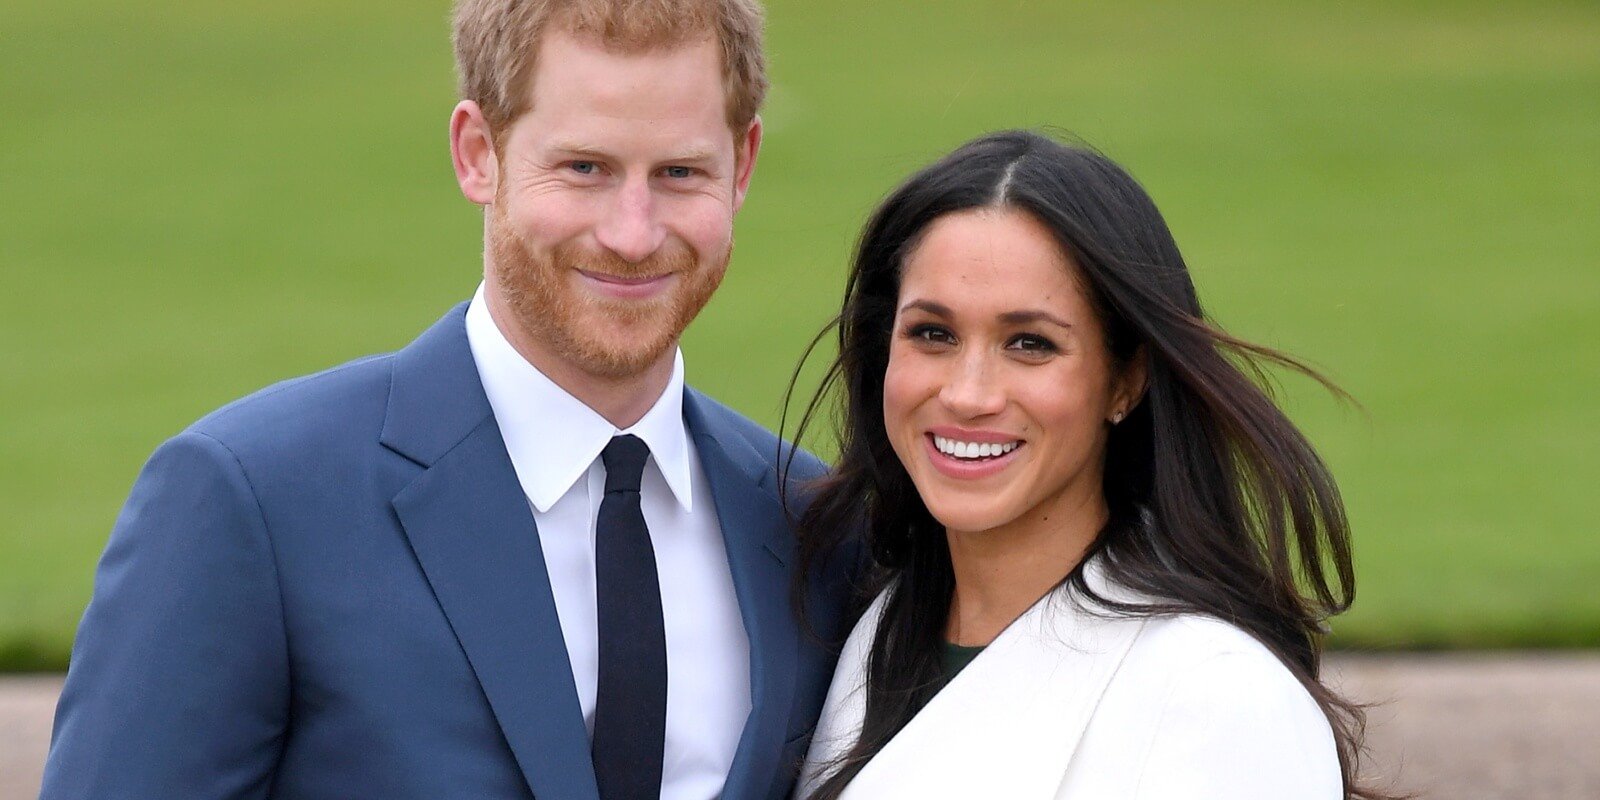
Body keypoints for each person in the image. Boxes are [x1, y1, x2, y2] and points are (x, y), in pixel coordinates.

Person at [40, 1, 857, 798]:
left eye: (680, 173)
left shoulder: (814, 526)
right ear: (479, 153)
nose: (633, 233)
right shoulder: (253, 502)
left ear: (742, 165)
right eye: (585, 168)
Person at [789, 131, 1391, 799]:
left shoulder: (1216, 696)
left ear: (1124, 381)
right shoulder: (865, 628)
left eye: (1030, 344)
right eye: (933, 333)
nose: (967, 393)